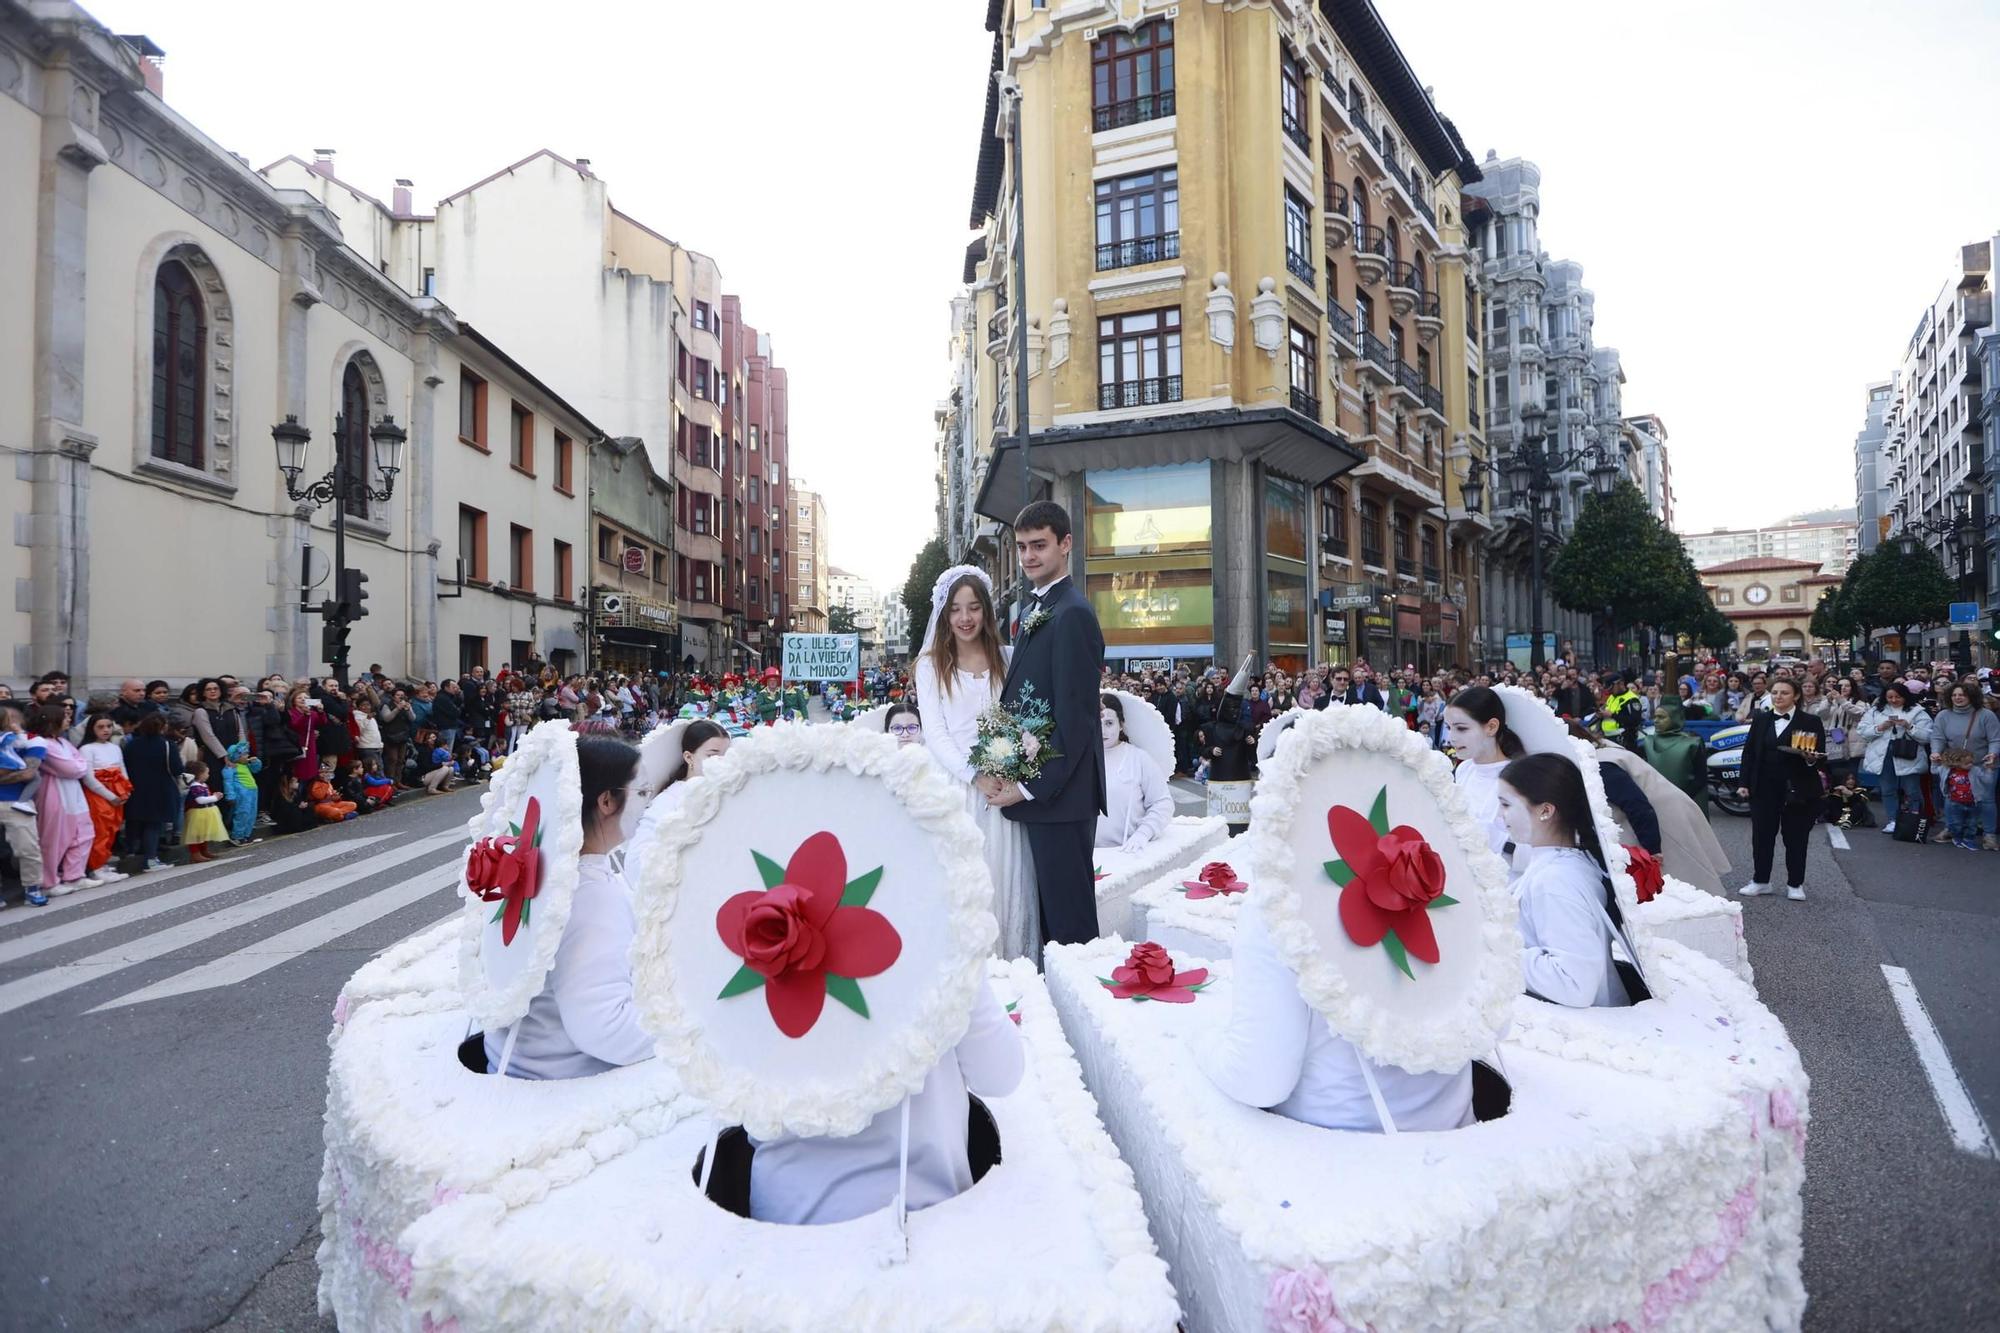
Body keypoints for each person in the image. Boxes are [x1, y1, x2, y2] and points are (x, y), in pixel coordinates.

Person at [1196, 880, 1472, 1131]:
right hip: (1461, 1135)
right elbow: (1493, 1022)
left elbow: (1259, 1081)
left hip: (1344, 1154)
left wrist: (1197, 1036)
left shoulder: (1278, 897)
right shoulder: (1447, 870)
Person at [481, 737, 656, 1078]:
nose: (649, 805)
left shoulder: (546, 864)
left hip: (520, 1057)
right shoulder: (590, 896)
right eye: (643, 793)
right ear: (607, 800)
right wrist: (692, 1020)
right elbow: (606, 1029)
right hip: (561, 1076)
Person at [989, 502, 1107, 947]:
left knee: (1070, 931)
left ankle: (1078, 1013)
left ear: (1066, 543)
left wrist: (1028, 787)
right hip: (1047, 800)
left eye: (1039, 545)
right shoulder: (1040, 607)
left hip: (1062, 799)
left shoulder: (1071, 612)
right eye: (1021, 547)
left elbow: (1076, 721)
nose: (1028, 556)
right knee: (1048, 928)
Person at [914, 568, 1041, 959]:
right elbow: (936, 734)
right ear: (945, 614)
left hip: (1005, 791)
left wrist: (1012, 768)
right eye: (955, 610)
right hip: (958, 789)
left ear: (986, 611)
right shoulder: (931, 664)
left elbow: (1024, 714)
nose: (965, 618)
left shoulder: (1009, 657)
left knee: (1005, 879)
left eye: (973, 608)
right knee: (962, 885)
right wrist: (975, 775)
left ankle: (1012, 976)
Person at [1496, 752, 1640, 1007]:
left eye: (1506, 804)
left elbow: (1574, 985)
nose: (1500, 815)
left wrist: (1492, 947)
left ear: (1545, 810)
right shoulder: (1570, 861)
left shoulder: (1554, 881)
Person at [1737, 678, 1827, 901]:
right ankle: (1761, 881)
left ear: (1796, 696)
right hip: (1763, 787)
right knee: (1762, 836)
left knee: (1796, 837)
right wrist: (1743, 783)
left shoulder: (1811, 721)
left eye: (1784, 693)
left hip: (1797, 788)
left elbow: (1821, 757)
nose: (1778, 697)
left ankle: (1795, 883)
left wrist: (1810, 760)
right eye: (1775, 692)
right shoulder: (1761, 719)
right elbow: (1749, 753)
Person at [1443, 686, 1527, 858]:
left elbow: (1521, 849)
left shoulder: (1518, 779)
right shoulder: (1464, 769)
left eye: (1461, 728)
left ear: (1491, 727)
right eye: (1448, 727)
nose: (1451, 738)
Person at [27, 703, 99, 893]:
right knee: (53, 839)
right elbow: (72, 768)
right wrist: (78, 767)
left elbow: (79, 765)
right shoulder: (43, 744)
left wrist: (78, 767)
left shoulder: (63, 742)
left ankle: (74, 875)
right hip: (54, 794)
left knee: (84, 834)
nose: (69, 720)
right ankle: (48, 882)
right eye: (65, 717)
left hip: (73, 793)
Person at [1095, 694, 1172, 851]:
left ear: (1121, 724)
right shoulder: (1080, 759)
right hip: (1086, 854)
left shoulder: (1138, 758)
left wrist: (1143, 833)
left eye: (1109, 723)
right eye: (1097, 723)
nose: (1102, 730)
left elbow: (1162, 802)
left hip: (1127, 852)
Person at [1857, 681, 1931, 838]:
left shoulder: (1918, 712)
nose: (1894, 700)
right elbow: (1862, 731)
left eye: (1898, 697)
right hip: (1882, 754)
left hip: (1908, 753)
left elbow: (1928, 736)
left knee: (1912, 790)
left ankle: (1914, 818)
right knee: (1887, 789)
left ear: (1905, 697)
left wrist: (1909, 727)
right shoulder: (1876, 711)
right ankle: (1892, 819)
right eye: (1890, 697)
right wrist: (1880, 728)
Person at [1930, 681, 1997, 851]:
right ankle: (1951, 829)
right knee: (1951, 798)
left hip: (1982, 765)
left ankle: (1989, 835)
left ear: (1971, 696)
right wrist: (1936, 752)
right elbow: (1937, 738)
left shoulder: (1986, 715)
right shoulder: (1943, 715)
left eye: (1962, 695)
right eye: (1954, 695)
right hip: (1953, 765)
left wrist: (1993, 753)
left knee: (1986, 800)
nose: (1957, 698)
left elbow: (1995, 738)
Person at [1197, 657, 1259, 834]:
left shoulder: (1244, 728)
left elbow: (1252, 757)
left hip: (1239, 775)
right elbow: (1202, 750)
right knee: (1219, 819)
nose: (1232, 712)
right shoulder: (1210, 728)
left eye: (1236, 709)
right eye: (1229, 708)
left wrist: (1251, 744)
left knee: (1238, 818)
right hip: (1219, 776)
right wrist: (1211, 750)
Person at [0, 701, 49, 905]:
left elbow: (29, 773)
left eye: (12, 717)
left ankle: (32, 887)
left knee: (27, 847)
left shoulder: (32, 741)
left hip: (17, 801)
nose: (8, 721)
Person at [78, 714, 132, 878]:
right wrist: (109, 796)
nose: (106, 730)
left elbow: (122, 769)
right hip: (99, 793)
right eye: (100, 727)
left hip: (118, 790)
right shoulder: (86, 749)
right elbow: (88, 777)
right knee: (100, 830)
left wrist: (126, 790)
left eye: (108, 726)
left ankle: (104, 861)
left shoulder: (114, 747)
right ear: (91, 729)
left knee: (112, 829)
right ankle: (96, 867)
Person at [181, 761, 227, 861]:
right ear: (200, 774)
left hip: (205, 812)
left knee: (203, 833)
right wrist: (214, 798)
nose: (208, 775)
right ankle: (195, 853)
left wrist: (213, 796)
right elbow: (200, 800)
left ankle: (203, 851)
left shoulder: (203, 785)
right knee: (195, 835)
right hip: (197, 813)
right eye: (207, 773)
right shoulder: (195, 786)